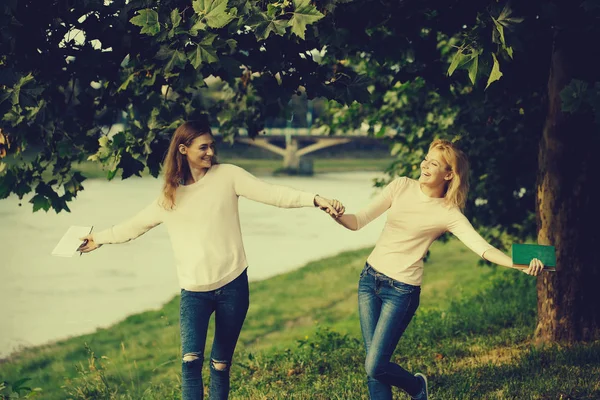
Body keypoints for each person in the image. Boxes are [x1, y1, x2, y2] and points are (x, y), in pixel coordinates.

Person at [78, 119, 344, 400]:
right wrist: (98, 238)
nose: (209, 152)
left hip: (233, 286)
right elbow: (133, 226)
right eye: (202, 147)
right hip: (194, 293)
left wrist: (315, 198)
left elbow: (274, 194)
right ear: (183, 149)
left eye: (211, 146)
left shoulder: (228, 176)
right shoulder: (170, 196)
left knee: (220, 365)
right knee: (190, 361)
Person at [325, 139, 544, 400]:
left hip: (402, 291)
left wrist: (518, 264)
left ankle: (417, 387)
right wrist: (336, 214)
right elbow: (358, 221)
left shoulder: (448, 212)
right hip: (369, 280)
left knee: (375, 365)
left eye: (434, 163)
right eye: (426, 160)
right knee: (374, 368)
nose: (425, 165)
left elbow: (482, 248)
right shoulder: (400, 186)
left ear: (449, 174)